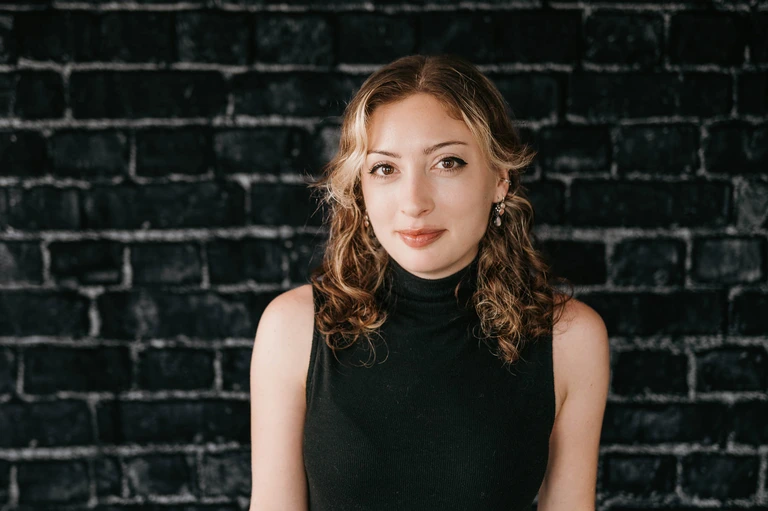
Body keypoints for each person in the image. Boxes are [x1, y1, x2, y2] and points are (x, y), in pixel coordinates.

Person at [249, 54, 610, 511]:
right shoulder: (292, 329)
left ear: (499, 179)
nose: (414, 202)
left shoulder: (570, 338)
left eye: (447, 163)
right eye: (385, 168)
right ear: (360, 186)